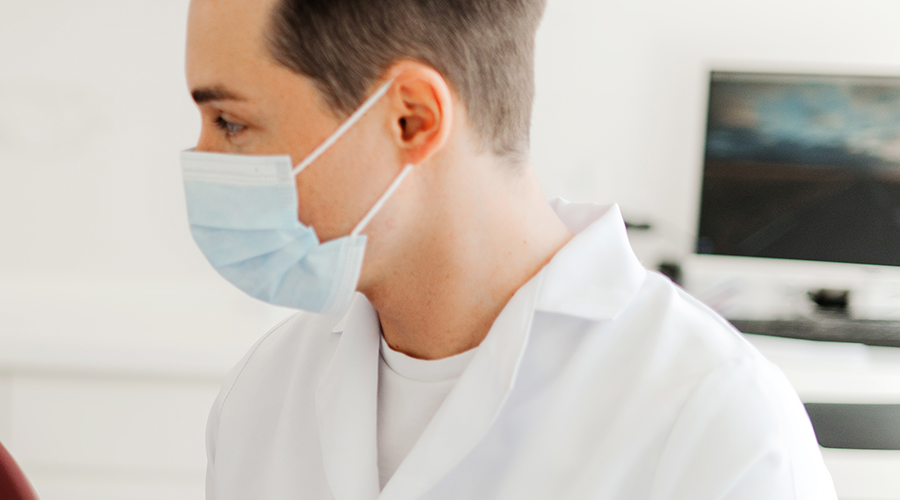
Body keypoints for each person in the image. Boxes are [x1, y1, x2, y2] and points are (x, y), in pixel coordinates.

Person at [180, 0, 835, 498]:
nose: (200, 159)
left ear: (412, 118)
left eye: (232, 122)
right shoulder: (264, 391)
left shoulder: (714, 420)